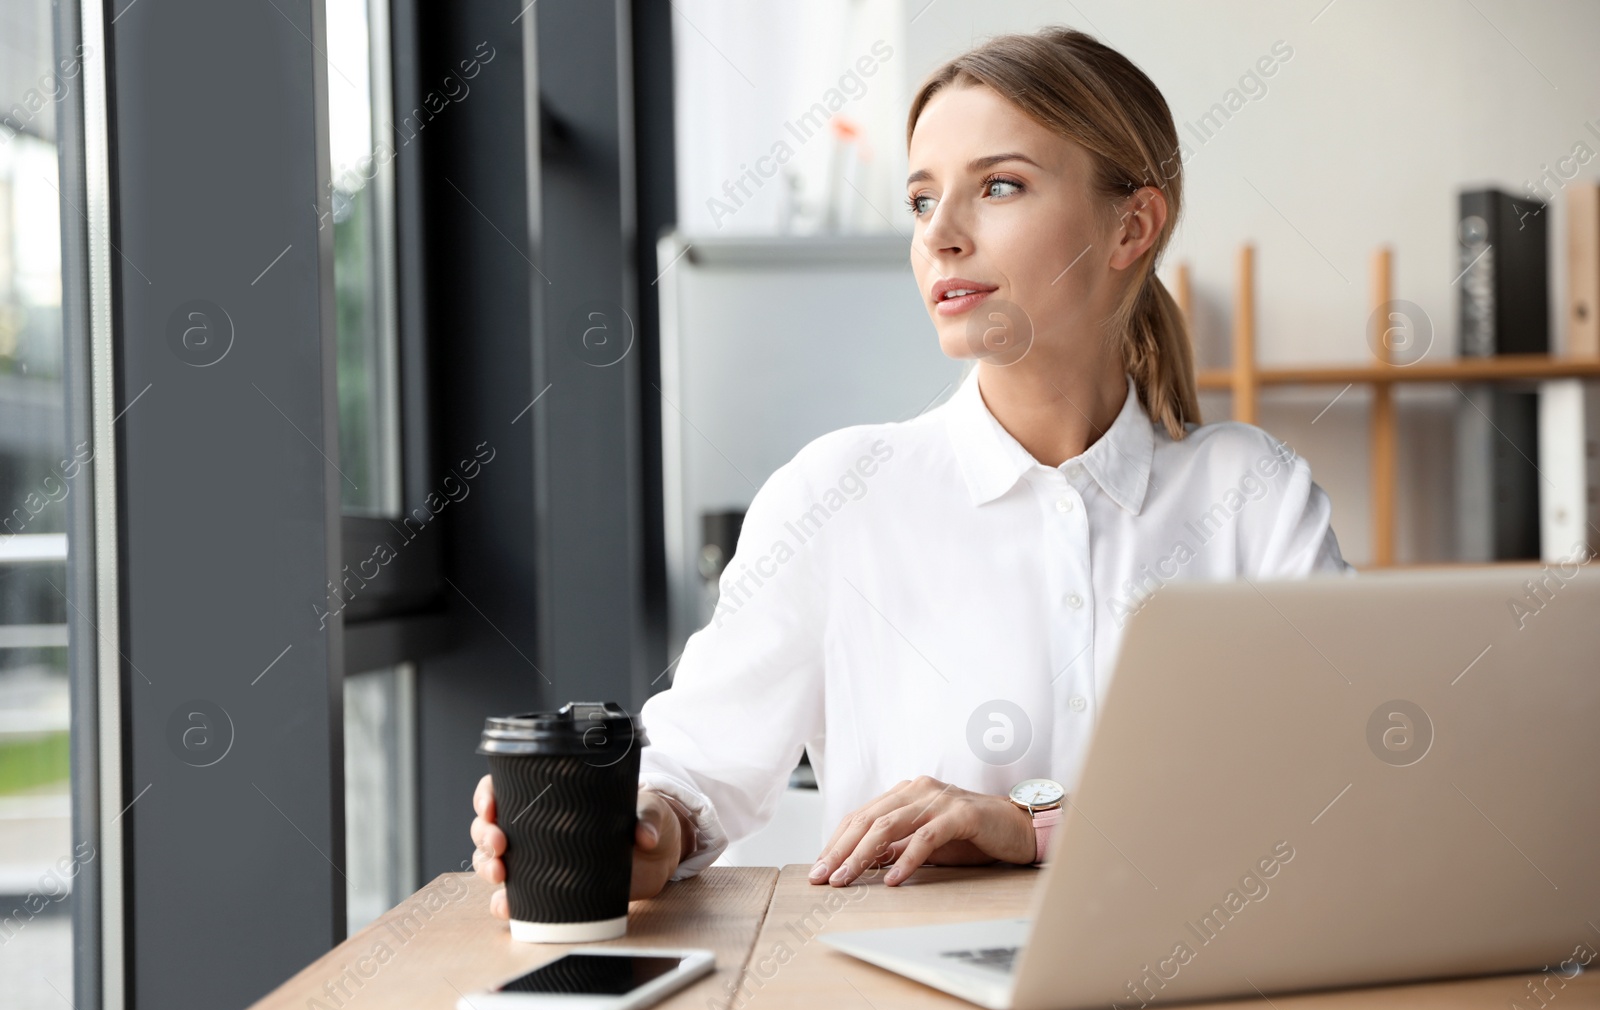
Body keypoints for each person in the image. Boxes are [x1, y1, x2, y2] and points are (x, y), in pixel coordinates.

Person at [470, 27, 1352, 916]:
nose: (942, 236)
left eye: (998, 186)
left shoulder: (1253, 495)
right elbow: (694, 768)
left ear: (1131, 225)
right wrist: (635, 830)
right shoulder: (837, 495)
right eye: (923, 200)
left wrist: (1028, 824)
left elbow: (1342, 783)